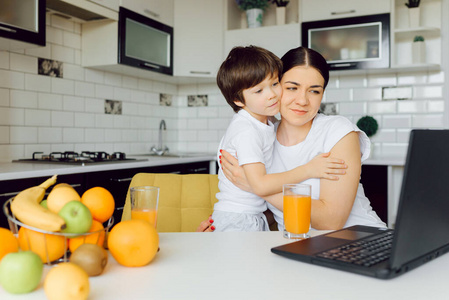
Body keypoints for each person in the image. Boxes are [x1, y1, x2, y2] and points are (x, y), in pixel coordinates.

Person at [200, 46, 385, 232]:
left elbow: (330, 221)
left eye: (314, 91)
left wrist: (257, 187)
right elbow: (278, 211)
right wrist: (221, 225)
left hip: (360, 239)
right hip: (298, 248)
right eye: (291, 88)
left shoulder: (338, 131)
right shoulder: (263, 136)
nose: (302, 100)